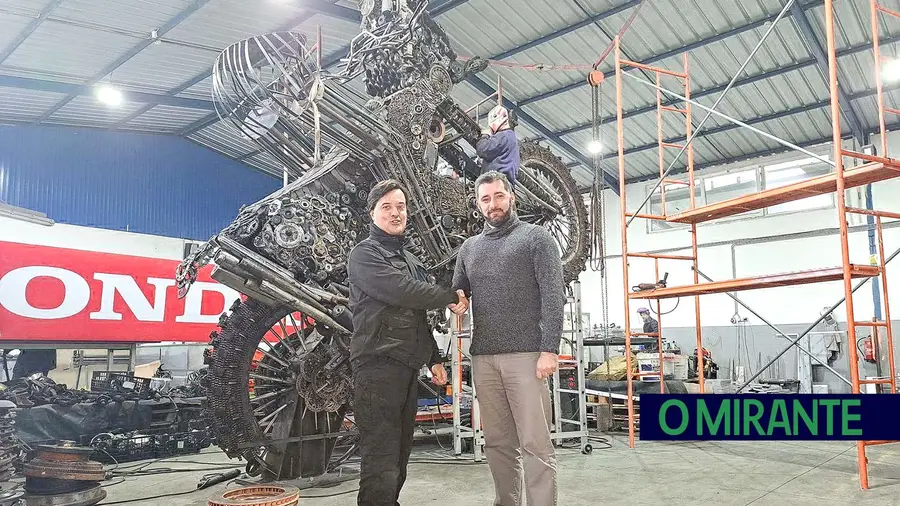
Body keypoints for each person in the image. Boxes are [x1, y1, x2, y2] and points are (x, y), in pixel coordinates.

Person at [347, 179, 468, 506]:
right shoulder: (364, 255)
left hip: (404, 369)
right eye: (386, 207)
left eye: (400, 206)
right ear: (372, 213)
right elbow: (401, 290)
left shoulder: (411, 260)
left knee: (399, 457)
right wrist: (448, 296)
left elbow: (415, 315)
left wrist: (433, 358)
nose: (395, 212)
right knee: (380, 460)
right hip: (376, 368)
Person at [451, 170, 564, 506]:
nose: (493, 204)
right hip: (484, 357)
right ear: (478, 204)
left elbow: (553, 295)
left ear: (511, 196)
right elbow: (459, 290)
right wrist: (457, 300)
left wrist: (550, 349)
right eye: (486, 199)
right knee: (498, 444)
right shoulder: (469, 248)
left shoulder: (537, 238)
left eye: (498, 196)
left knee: (535, 444)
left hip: (527, 356)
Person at [476, 105, 520, 186]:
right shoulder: (511, 137)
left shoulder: (503, 136)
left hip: (497, 182)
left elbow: (483, 149)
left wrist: (485, 135)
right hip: (504, 183)